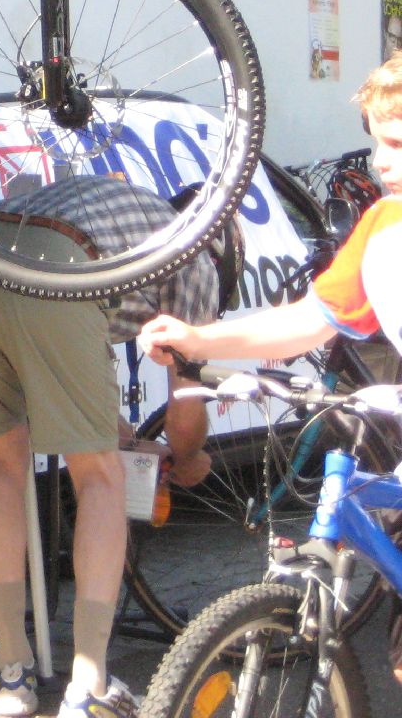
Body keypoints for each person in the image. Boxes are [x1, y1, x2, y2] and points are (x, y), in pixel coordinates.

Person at [140, 51, 402, 682]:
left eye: (396, 144)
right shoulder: (382, 228)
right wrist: (198, 339)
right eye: (376, 143)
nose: (381, 162)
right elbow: (309, 321)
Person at [0, 173, 227, 718]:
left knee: (0, 466)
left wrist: (124, 435)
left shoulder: (126, 213)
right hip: (53, 272)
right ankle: (89, 684)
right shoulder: (195, 255)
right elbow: (186, 407)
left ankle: (11, 673)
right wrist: (189, 457)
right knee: (100, 477)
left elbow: (72, 376)